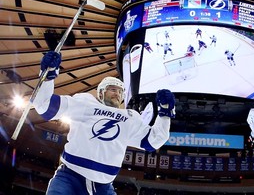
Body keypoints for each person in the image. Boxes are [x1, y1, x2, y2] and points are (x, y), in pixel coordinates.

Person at [33, 51, 176, 195]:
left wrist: (164, 113)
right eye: (113, 90)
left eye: (120, 92)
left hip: (103, 186)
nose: (117, 94)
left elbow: (154, 141)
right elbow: (44, 106)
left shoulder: (130, 116)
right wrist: (48, 76)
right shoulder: (85, 102)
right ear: (101, 93)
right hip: (70, 177)